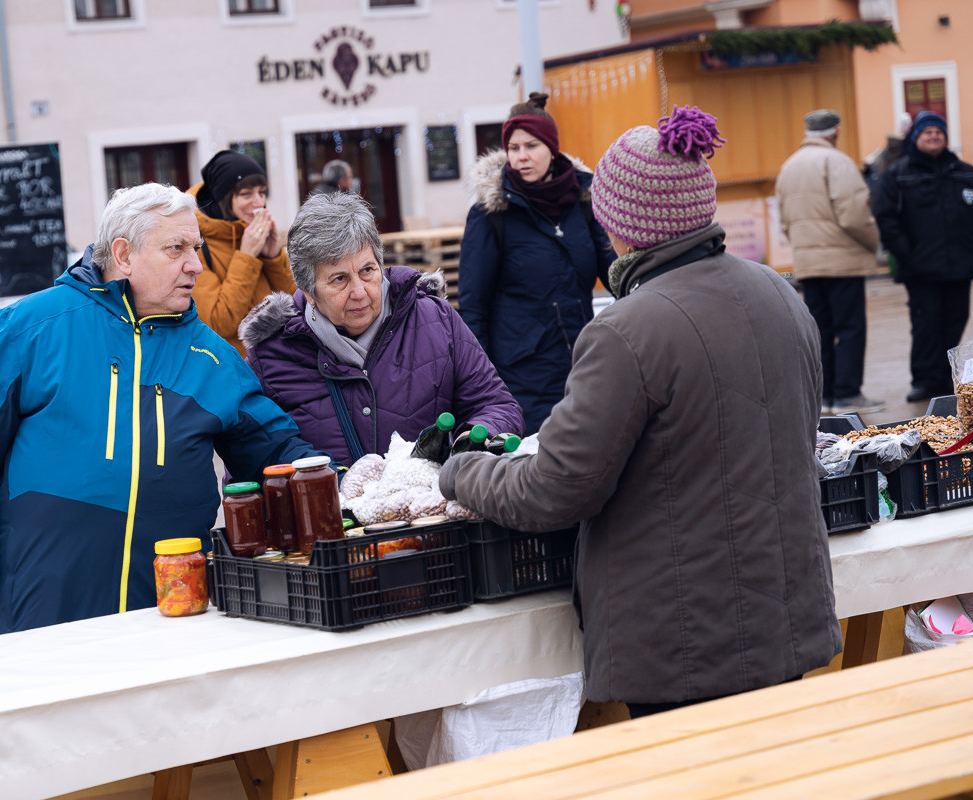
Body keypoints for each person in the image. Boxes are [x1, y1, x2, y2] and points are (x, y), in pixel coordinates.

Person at [439, 106, 843, 718]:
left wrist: (462, 470)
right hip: (785, 617)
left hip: (685, 638)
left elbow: (553, 490)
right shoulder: (779, 292)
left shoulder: (627, 331)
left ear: (621, 222)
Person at [0, 183, 327, 635]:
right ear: (123, 254)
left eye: (196, 248)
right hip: (47, 604)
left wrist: (343, 482)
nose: (195, 265)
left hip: (170, 609)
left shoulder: (213, 358)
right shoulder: (28, 328)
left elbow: (277, 451)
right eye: (176, 249)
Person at [239, 192, 523, 466]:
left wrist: (476, 434)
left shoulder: (436, 321)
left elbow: (496, 404)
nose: (359, 292)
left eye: (367, 270)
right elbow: (251, 458)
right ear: (309, 292)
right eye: (339, 279)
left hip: (429, 499)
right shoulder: (272, 357)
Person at [458, 92, 615, 435]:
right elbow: (473, 307)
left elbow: (615, 273)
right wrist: (482, 387)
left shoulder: (583, 200)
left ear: (552, 148)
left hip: (584, 365)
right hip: (522, 378)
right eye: (513, 148)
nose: (521, 156)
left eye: (531, 146)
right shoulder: (491, 213)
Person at [775, 109, 884, 416]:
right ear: (835, 131)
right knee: (850, 327)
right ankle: (848, 394)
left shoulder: (789, 166)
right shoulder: (838, 162)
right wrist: (874, 243)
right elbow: (854, 216)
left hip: (808, 262)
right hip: (843, 261)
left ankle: (825, 397)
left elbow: (784, 220)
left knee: (820, 329)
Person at [873, 111, 973, 403]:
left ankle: (946, 380)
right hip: (920, 270)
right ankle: (925, 382)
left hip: (959, 268)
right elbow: (885, 217)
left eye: (938, 132)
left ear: (946, 138)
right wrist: (907, 254)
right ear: (916, 137)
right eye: (927, 132)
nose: (934, 136)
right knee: (926, 326)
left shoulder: (964, 173)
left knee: (955, 322)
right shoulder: (898, 175)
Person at [188, 150, 296, 356]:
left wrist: (273, 257)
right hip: (235, 365)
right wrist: (246, 257)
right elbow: (218, 323)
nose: (259, 202)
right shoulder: (196, 242)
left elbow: (295, 304)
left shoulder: (252, 231)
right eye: (246, 194)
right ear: (223, 197)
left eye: (262, 192)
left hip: (279, 359)